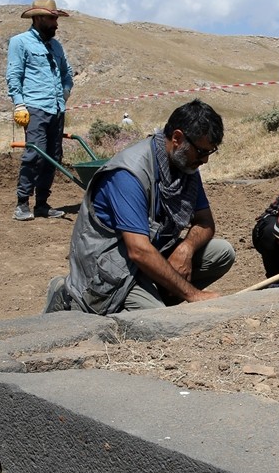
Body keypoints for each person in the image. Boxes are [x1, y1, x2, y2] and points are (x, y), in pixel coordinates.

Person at [46, 100, 235, 315]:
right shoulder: (129, 173)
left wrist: (186, 249)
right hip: (115, 267)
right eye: (201, 152)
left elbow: (205, 222)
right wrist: (193, 294)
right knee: (157, 320)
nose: (206, 160)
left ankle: (154, 294)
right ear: (177, 138)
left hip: (153, 252)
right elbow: (138, 250)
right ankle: (69, 297)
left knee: (222, 253)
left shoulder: (185, 166)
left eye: (210, 152)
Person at [6, 0, 75, 221]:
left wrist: (65, 91)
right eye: (52, 19)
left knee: (53, 156)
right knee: (35, 154)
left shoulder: (56, 45)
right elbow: (14, 75)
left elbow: (67, 72)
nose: (56, 24)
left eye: (56, 19)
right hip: (34, 107)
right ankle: (22, 203)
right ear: (38, 18)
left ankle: (42, 204)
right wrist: (19, 104)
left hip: (56, 108)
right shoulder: (20, 42)